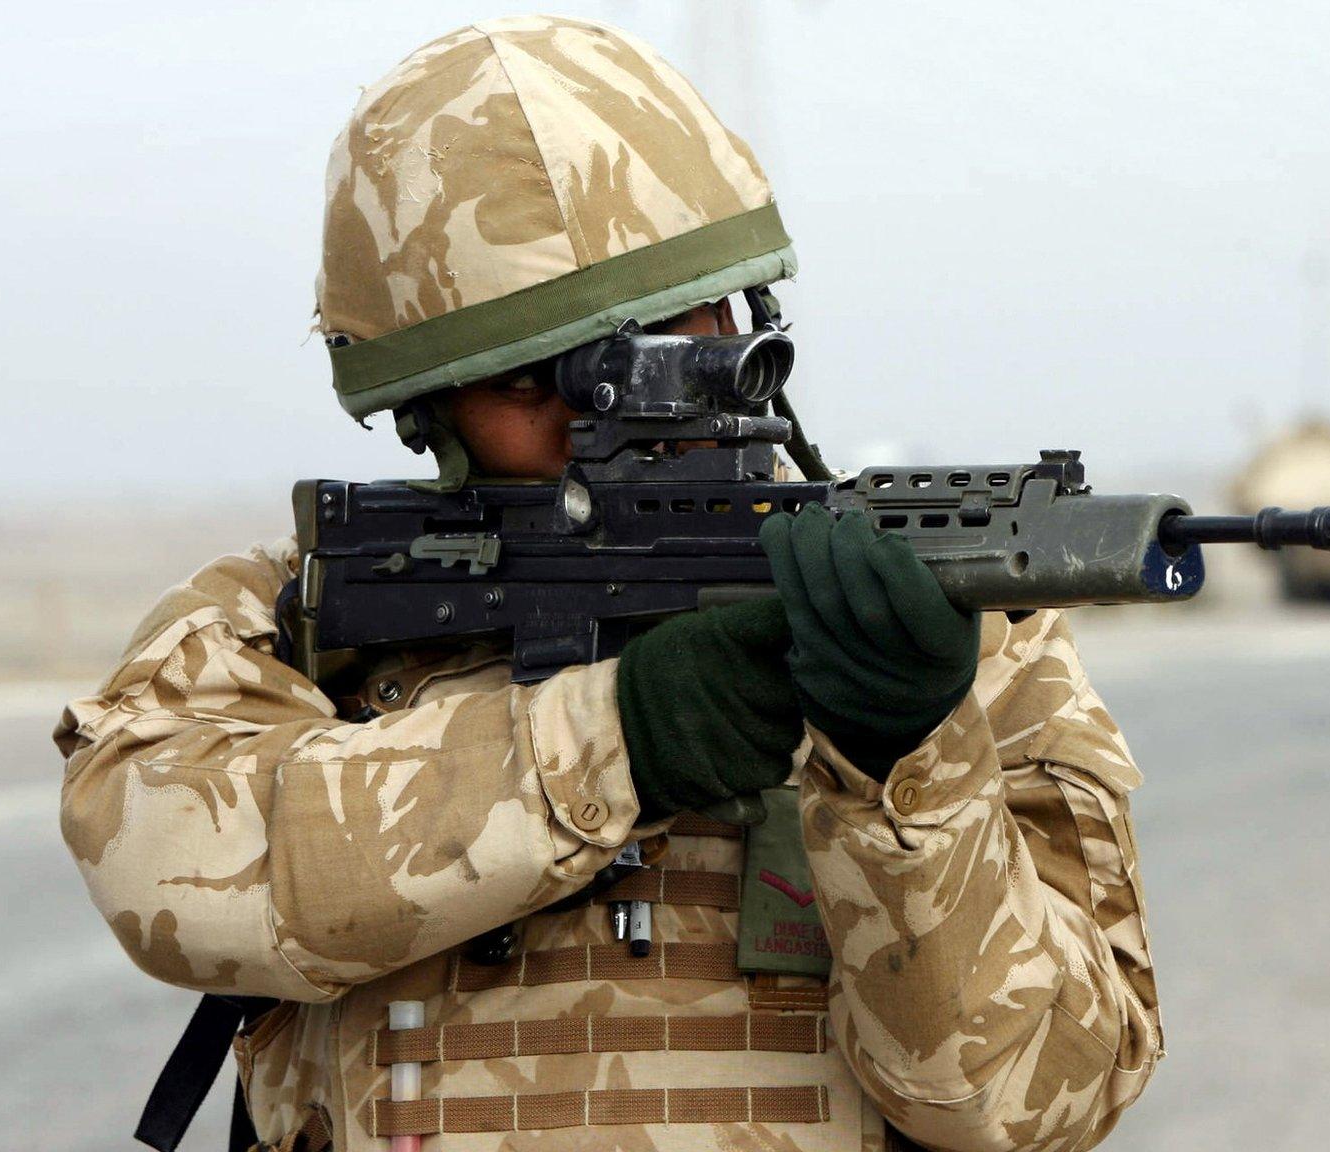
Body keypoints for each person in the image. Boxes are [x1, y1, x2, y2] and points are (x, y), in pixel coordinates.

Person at [56, 16, 1160, 1152]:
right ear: (426, 409)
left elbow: (1034, 1107)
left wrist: (904, 766)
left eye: (666, 341)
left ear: (742, 324)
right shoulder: (285, 621)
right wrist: (614, 736)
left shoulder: (947, 634)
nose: (615, 412)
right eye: (541, 377)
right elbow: (169, 871)